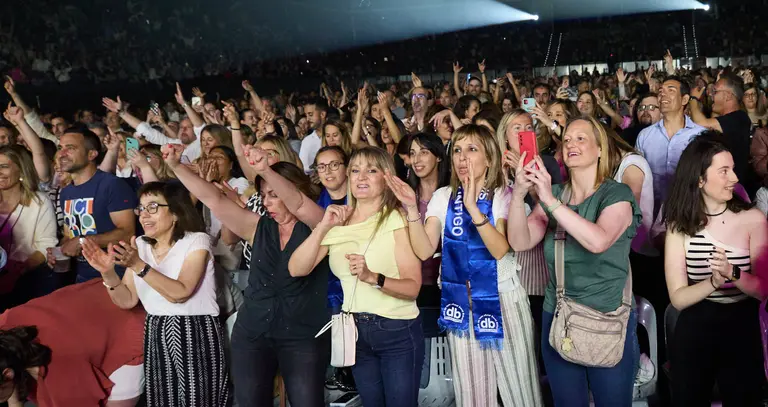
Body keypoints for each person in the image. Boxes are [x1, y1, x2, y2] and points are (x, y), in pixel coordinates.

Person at [388, 125, 543, 406]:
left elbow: (500, 250)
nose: (462, 158)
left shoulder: (504, 195)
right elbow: (424, 250)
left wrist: (473, 209)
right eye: (457, 150)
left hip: (503, 300)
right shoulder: (443, 196)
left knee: (520, 391)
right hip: (459, 303)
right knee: (472, 394)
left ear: (489, 159)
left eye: (472, 150)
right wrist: (412, 209)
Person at [167, 144, 330, 406]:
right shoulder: (257, 226)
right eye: (264, 195)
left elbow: (299, 204)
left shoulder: (319, 224)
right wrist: (176, 167)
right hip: (253, 332)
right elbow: (214, 200)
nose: (267, 202)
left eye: (274, 194)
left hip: (302, 334)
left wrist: (265, 169)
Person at [508, 115, 641, 407]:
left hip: (606, 319)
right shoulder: (555, 194)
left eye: (581, 138)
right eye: (567, 139)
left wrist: (548, 200)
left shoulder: (616, 195)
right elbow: (519, 241)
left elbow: (598, 241)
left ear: (600, 149)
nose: (571, 144)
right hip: (558, 316)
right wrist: (519, 196)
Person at [289, 147, 424, 407]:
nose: (361, 176)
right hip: (356, 334)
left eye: (371, 170)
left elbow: (413, 287)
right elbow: (297, 268)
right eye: (355, 170)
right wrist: (323, 228)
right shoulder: (338, 221)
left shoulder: (396, 218)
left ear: (386, 178)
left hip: (396, 329)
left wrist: (374, 277)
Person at [81, 181, 229, 406]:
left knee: (198, 400)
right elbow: (127, 299)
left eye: (153, 207)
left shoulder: (197, 241)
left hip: (195, 332)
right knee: (162, 400)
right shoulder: (140, 245)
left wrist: (138, 265)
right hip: (156, 330)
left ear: (176, 212)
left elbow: (180, 293)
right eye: (141, 208)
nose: (144, 215)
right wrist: (108, 273)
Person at [662, 133, 767, 406]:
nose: (734, 178)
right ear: (699, 178)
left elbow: (763, 290)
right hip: (695, 327)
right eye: (724, 171)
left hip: (742, 326)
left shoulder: (753, 219)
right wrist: (713, 281)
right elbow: (678, 297)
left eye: (733, 168)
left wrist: (734, 273)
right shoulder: (679, 226)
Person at [0, 280, 145, 407]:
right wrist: (14, 401)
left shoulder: (59, 380)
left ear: (8, 374)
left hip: (129, 326)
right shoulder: (4, 325)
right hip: (100, 296)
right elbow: (7, 366)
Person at [54, 127, 136, 283]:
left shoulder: (112, 185)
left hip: (116, 273)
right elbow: (68, 234)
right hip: (82, 274)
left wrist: (81, 241)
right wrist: (60, 249)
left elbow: (127, 232)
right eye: (60, 148)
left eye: (70, 148)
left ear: (91, 154)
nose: (61, 154)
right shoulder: (66, 192)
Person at [635, 76, 706, 220]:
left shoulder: (700, 135)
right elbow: (637, 176)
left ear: (685, 100)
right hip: (652, 213)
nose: (662, 95)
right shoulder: (644, 136)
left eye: (670, 90)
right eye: (660, 91)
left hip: (689, 212)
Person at [0, 146, 57, 310]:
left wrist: (19, 270)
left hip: (25, 282)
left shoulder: (39, 202)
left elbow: (46, 245)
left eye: (4, 166)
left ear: (21, 170)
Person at [405, 133, 450, 337]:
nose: (417, 159)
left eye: (424, 152)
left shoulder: (452, 194)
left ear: (439, 156)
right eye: (413, 153)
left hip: (447, 283)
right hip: (414, 283)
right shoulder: (406, 197)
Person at [689, 73, 755, 193]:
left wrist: (693, 99)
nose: (710, 94)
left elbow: (701, 123)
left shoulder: (738, 118)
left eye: (715, 91)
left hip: (734, 189)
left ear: (728, 96)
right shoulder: (733, 118)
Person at [299, 98, 328, 173]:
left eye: (310, 114)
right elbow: (304, 169)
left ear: (322, 114)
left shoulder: (335, 136)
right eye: (306, 115)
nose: (307, 119)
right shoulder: (306, 141)